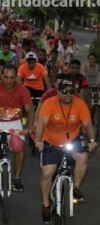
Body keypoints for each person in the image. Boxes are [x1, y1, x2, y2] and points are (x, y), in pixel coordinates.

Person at [35, 79, 97, 223]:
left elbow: (88, 124)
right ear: (58, 92)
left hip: (73, 139)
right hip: (51, 141)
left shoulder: (80, 104)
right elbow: (41, 123)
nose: (68, 95)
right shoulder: (49, 103)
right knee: (47, 173)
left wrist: (93, 141)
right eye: (64, 92)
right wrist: (38, 141)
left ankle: (76, 188)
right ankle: (46, 205)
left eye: (71, 92)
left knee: (83, 157)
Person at [0, 64, 34, 192]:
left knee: (19, 147)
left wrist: (29, 128)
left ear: (16, 77)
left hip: (14, 123)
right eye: (6, 77)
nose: (9, 80)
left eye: (12, 77)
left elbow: (30, 110)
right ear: (1, 76)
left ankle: (17, 178)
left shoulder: (22, 90)